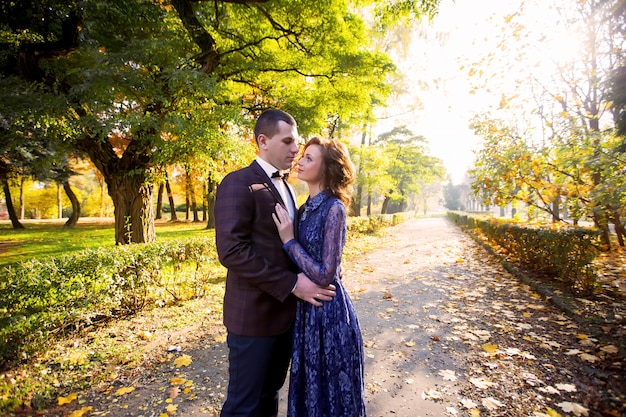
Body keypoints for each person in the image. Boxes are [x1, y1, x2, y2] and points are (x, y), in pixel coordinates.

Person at [214, 109, 337, 417]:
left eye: (297, 143)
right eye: (288, 142)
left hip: (285, 318)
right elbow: (231, 251)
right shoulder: (238, 183)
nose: (295, 150)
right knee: (243, 406)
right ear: (263, 141)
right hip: (253, 319)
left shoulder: (290, 187)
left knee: (269, 399)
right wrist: (294, 284)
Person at [272, 136, 367, 417]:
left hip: (330, 315)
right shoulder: (303, 210)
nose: (300, 161)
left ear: (326, 169)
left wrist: (289, 241)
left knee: (332, 395)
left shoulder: (334, 208)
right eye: (302, 156)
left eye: (309, 158)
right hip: (306, 314)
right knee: (309, 389)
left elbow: (325, 274)